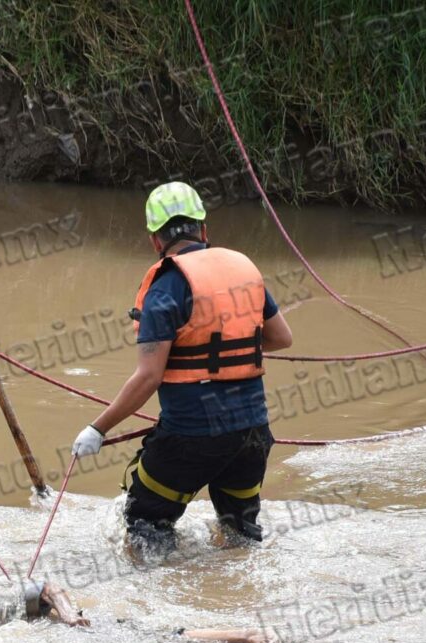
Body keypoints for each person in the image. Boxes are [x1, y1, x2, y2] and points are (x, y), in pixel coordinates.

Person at [71, 181, 294, 552]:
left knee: (145, 526)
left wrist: (98, 429)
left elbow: (148, 377)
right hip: (252, 435)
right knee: (240, 536)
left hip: (192, 437)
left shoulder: (167, 287)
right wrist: (221, 354)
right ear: (203, 230)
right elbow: (281, 337)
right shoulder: (243, 268)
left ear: (155, 241)